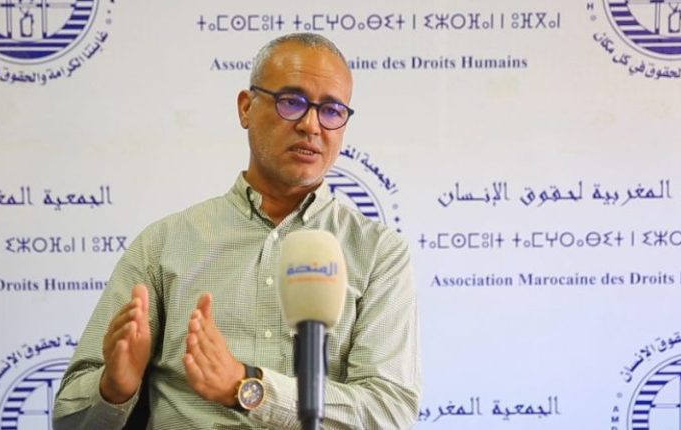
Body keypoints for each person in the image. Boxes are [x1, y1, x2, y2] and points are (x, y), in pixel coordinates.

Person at [53, 32, 421, 429]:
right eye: (292, 102)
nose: (311, 125)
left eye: (331, 110)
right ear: (246, 108)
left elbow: (389, 413)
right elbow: (69, 419)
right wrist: (114, 388)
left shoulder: (378, 252)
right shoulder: (162, 245)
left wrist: (246, 386)